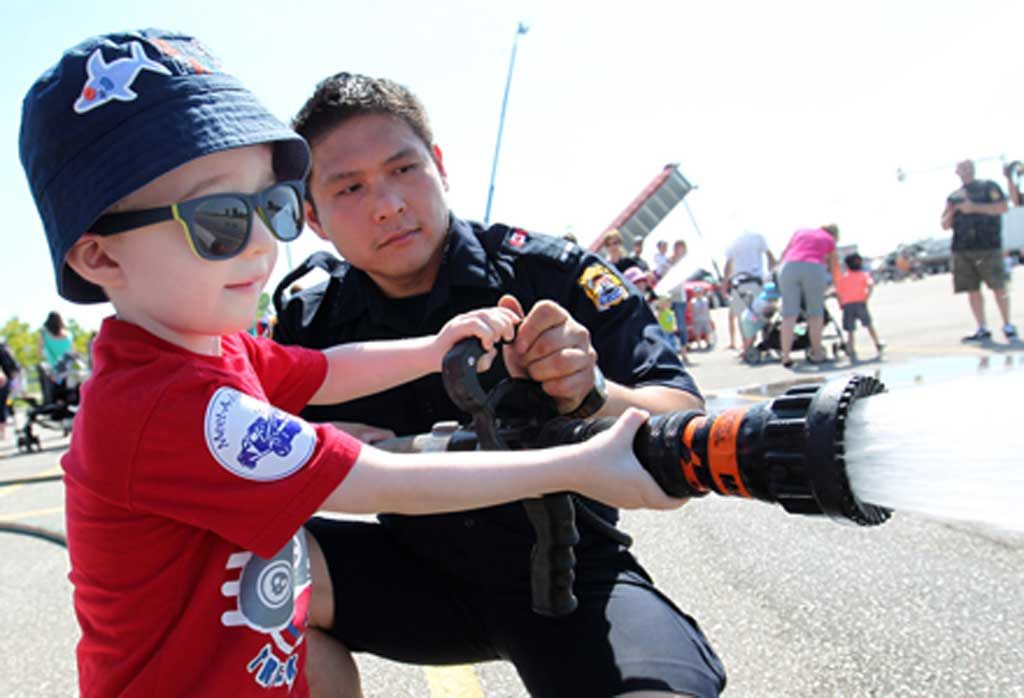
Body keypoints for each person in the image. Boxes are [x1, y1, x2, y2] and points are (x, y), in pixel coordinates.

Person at [19, 31, 683, 698]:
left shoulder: (212, 348)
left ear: (439, 163)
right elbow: (374, 481)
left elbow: (321, 369)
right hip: (311, 624)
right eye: (219, 219)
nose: (258, 244)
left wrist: (441, 356)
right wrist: (578, 463)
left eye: (266, 207)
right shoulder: (173, 398)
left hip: (565, 574)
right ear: (100, 258)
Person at [274, 71, 726, 698]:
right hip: (408, 577)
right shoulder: (310, 317)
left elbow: (684, 416)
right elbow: (215, 439)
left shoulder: (550, 274)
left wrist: (589, 390)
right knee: (220, 580)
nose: (388, 204)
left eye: (403, 170)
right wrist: (311, 439)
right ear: (315, 220)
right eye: (350, 187)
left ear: (439, 165)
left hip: (567, 578)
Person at [941, 159, 1016, 340]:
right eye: (962, 169)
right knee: (972, 290)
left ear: (973, 169)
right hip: (962, 249)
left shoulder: (988, 187)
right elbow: (944, 225)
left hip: (988, 246)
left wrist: (974, 207)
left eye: (968, 168)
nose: (965, 171)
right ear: (957, 172)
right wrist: (952, 211)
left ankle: (1007, 324)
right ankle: (982, 327)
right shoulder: (954, 196)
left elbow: (1004, 207)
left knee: (999, 286)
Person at [777, 224, 841, 367]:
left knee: (789, 315)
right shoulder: (829, 239)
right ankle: (817, 352)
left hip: (788, 268)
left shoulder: (800, 231)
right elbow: (834, 266)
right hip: (813, 267)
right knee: (815, 314)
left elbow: (784, 253)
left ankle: (785, 356)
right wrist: (838, 288)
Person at [722, 231, 776, 350]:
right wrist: (773, 274)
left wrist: (725, 283)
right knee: (761, 312)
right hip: (757, 280)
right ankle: (764, 342)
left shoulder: (732, 240)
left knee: (742, 316)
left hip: (740, 281)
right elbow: (770, 257)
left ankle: (746, 346)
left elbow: (728, 264)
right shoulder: (757, 237)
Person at [835, 253, 885, 360]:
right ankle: (877, 343)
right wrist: (866, 298)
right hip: (860, 303)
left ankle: (850, 348)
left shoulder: (843, 278)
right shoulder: (863, 275)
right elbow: (870, 285)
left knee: (850, 329)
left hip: (847, 305)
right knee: (869, 325)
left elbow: (838, 293)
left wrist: (841, 304)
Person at [0, 338, 21, 442]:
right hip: (6, 378)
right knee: (4, 405)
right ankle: (3, 433)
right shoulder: (3, 345)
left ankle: (3, 433)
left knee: (3, 405)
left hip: (5, 379)